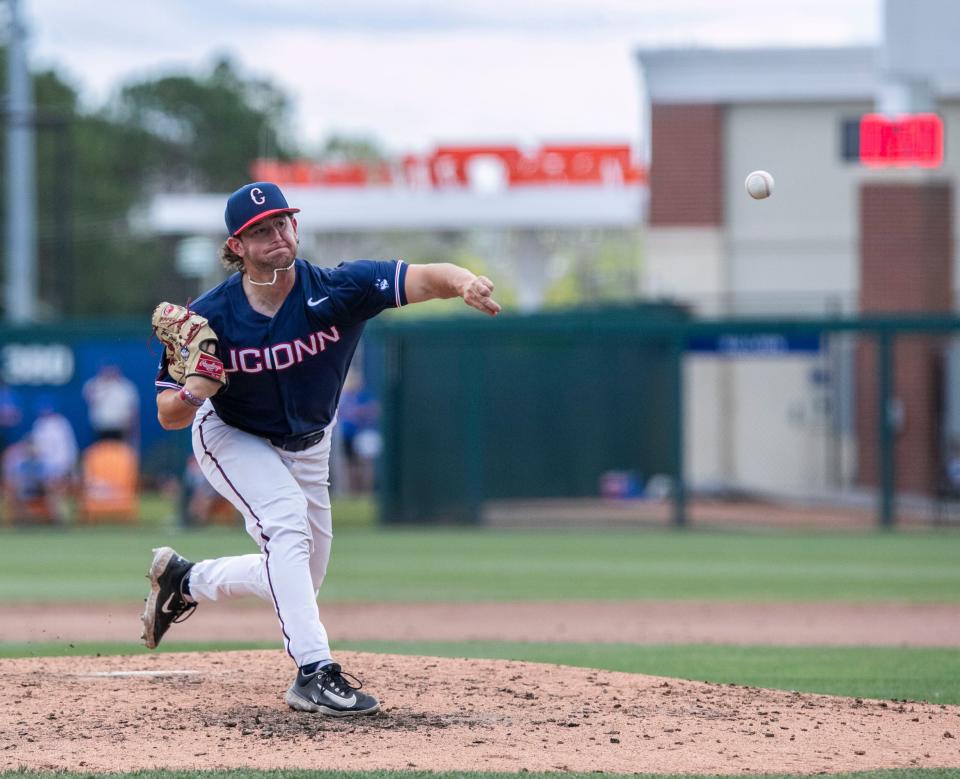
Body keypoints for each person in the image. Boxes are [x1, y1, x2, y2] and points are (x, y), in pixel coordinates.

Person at [142, 181, 500, 717]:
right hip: (231, 434)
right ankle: (314, 672)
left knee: (299, 577)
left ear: (296, 226)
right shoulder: (210, 316)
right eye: (260, 231)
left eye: (282, 223)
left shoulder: (340, 287)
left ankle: (185, 579)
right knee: (286, 525)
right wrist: (195, 389)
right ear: (236, 246)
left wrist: (465, 282)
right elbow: (169, 416)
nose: (277, 236)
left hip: (310, 444)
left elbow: (427, 277)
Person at [82, 364, 140, 445]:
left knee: (119, 452)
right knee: (101, 452)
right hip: (100, 428)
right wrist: (105, 386)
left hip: (120, 428)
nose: (110, 371)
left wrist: (133, 430)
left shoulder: (126, 387)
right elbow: (89, 398)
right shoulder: (94, 384)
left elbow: (133, 410)